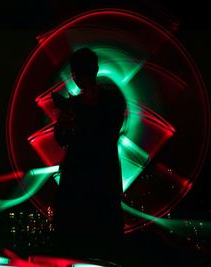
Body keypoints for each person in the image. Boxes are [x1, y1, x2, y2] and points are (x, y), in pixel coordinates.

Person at [52, 48, 126, 264]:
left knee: (88, 242)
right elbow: (62, 137)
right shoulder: (108, 101)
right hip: (95, 179)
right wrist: (64, 125)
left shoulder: (106, 102)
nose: (76, 78)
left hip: (88, 181)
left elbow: (104, 133)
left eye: (77, 73)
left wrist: (72, 124)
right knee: (98, 242)